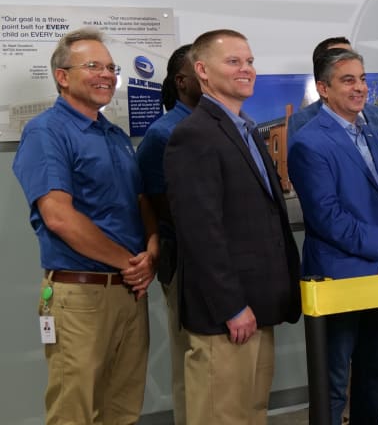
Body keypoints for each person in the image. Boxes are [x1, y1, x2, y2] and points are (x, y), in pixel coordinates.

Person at [13, 28, 158, 424]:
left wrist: (152, 249)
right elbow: (59, 216)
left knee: (123, 408)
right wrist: (130, 263)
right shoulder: (46, 131)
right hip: (80, 295)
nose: (106, 75)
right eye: (94, 66)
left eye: (111, 67)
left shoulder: (115, 135)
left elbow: (140, 201)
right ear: (62, 76)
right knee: (74, 411)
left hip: (129, 291)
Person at [164, 29, 301, 425]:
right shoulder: (194, 135)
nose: (246, 69)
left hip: (257, 308)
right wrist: (231, 306)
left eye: (250, 61)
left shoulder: (247, 130)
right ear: (202, 71)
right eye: (234, 61)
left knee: (252, 412)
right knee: (220, 416)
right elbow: (200, 232)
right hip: (227, 316)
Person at [288, 49, 378, 425]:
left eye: (362, 79)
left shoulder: (372, 131)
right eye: (348, 80)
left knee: (374, 376)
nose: (359, 88)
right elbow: (327, 217)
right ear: (324, 88)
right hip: (338, 277)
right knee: (333, 382)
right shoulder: (309, 142)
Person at [135, 43, 200, 425]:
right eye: (200, 69)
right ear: (181, 81)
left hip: (224, 263)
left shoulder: (224, 124)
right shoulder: (164, 134)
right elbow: (158, 203)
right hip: (186, 263)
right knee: (192, 358)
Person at [288, 36, 378, 205]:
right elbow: (317, 195)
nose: (359, 87)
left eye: (362, 78)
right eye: (339, 57)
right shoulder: (304, 124)